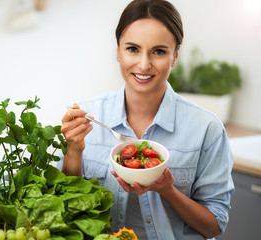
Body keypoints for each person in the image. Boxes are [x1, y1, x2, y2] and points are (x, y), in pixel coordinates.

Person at [58, 0, 234, 239]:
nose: (144, 64)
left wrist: (167, 190)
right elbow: (66, 208)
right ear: (118, 51)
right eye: (132, 49)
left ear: (175, 56)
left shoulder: (206, 128)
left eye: (159, 51)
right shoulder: (88, 117)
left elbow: (213, 225)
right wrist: (74, 151)